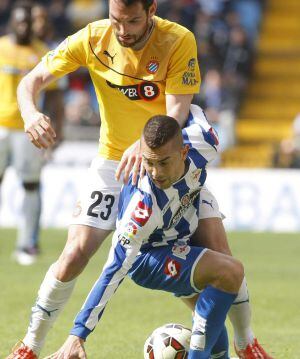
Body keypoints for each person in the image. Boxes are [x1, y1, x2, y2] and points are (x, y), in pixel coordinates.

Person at [8, 1, 272, 358]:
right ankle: (30, 345)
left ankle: (246, 343)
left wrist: (145, 145)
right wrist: (29, 112)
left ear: (151, 11)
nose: (123, 30)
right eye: (117, 20)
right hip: (112, 163)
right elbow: (31, 80)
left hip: (165, 161)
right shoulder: (93, 38)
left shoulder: (177, 39)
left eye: (132, 21)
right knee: (74, 254)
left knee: (221, 257)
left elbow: (178, 109)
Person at [47, 114, 244, 359]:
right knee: (230, 271)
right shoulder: (142, 207)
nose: (154, 172)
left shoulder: (204, 143)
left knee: (213, 322)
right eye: (148, 162)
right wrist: (78, 334)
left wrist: (173, 111)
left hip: (177, 240)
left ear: (184, 153)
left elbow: (188, 105)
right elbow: (112, 272)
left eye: (163, 162)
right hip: (146, 259)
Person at [0, 0, 62, 265]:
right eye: (20, 21)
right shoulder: (1, 47)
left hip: (28, 130)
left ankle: (27, 245)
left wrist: (57, 130)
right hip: (0, 127)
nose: (24, 26)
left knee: (31, 186)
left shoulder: (42, 53)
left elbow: (56, 96)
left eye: (28, 22)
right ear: (12, 22)